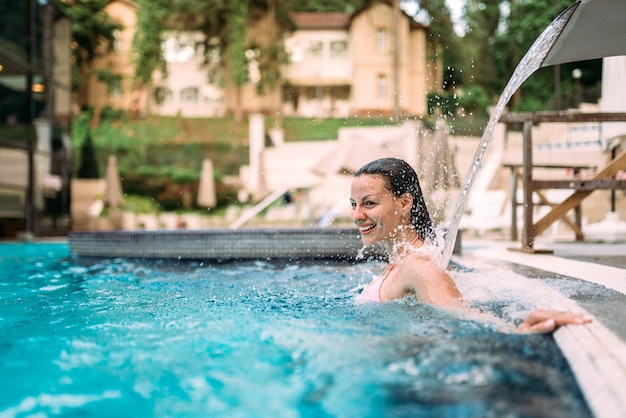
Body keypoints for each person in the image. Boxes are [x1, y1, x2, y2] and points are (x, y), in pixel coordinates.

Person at [351, 157, 593, 333]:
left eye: (369, 203)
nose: (357, 215)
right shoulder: (406, 261)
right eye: (354, 204)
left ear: (404, 204)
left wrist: (513, 329)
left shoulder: (418, 267)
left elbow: (459, 312)